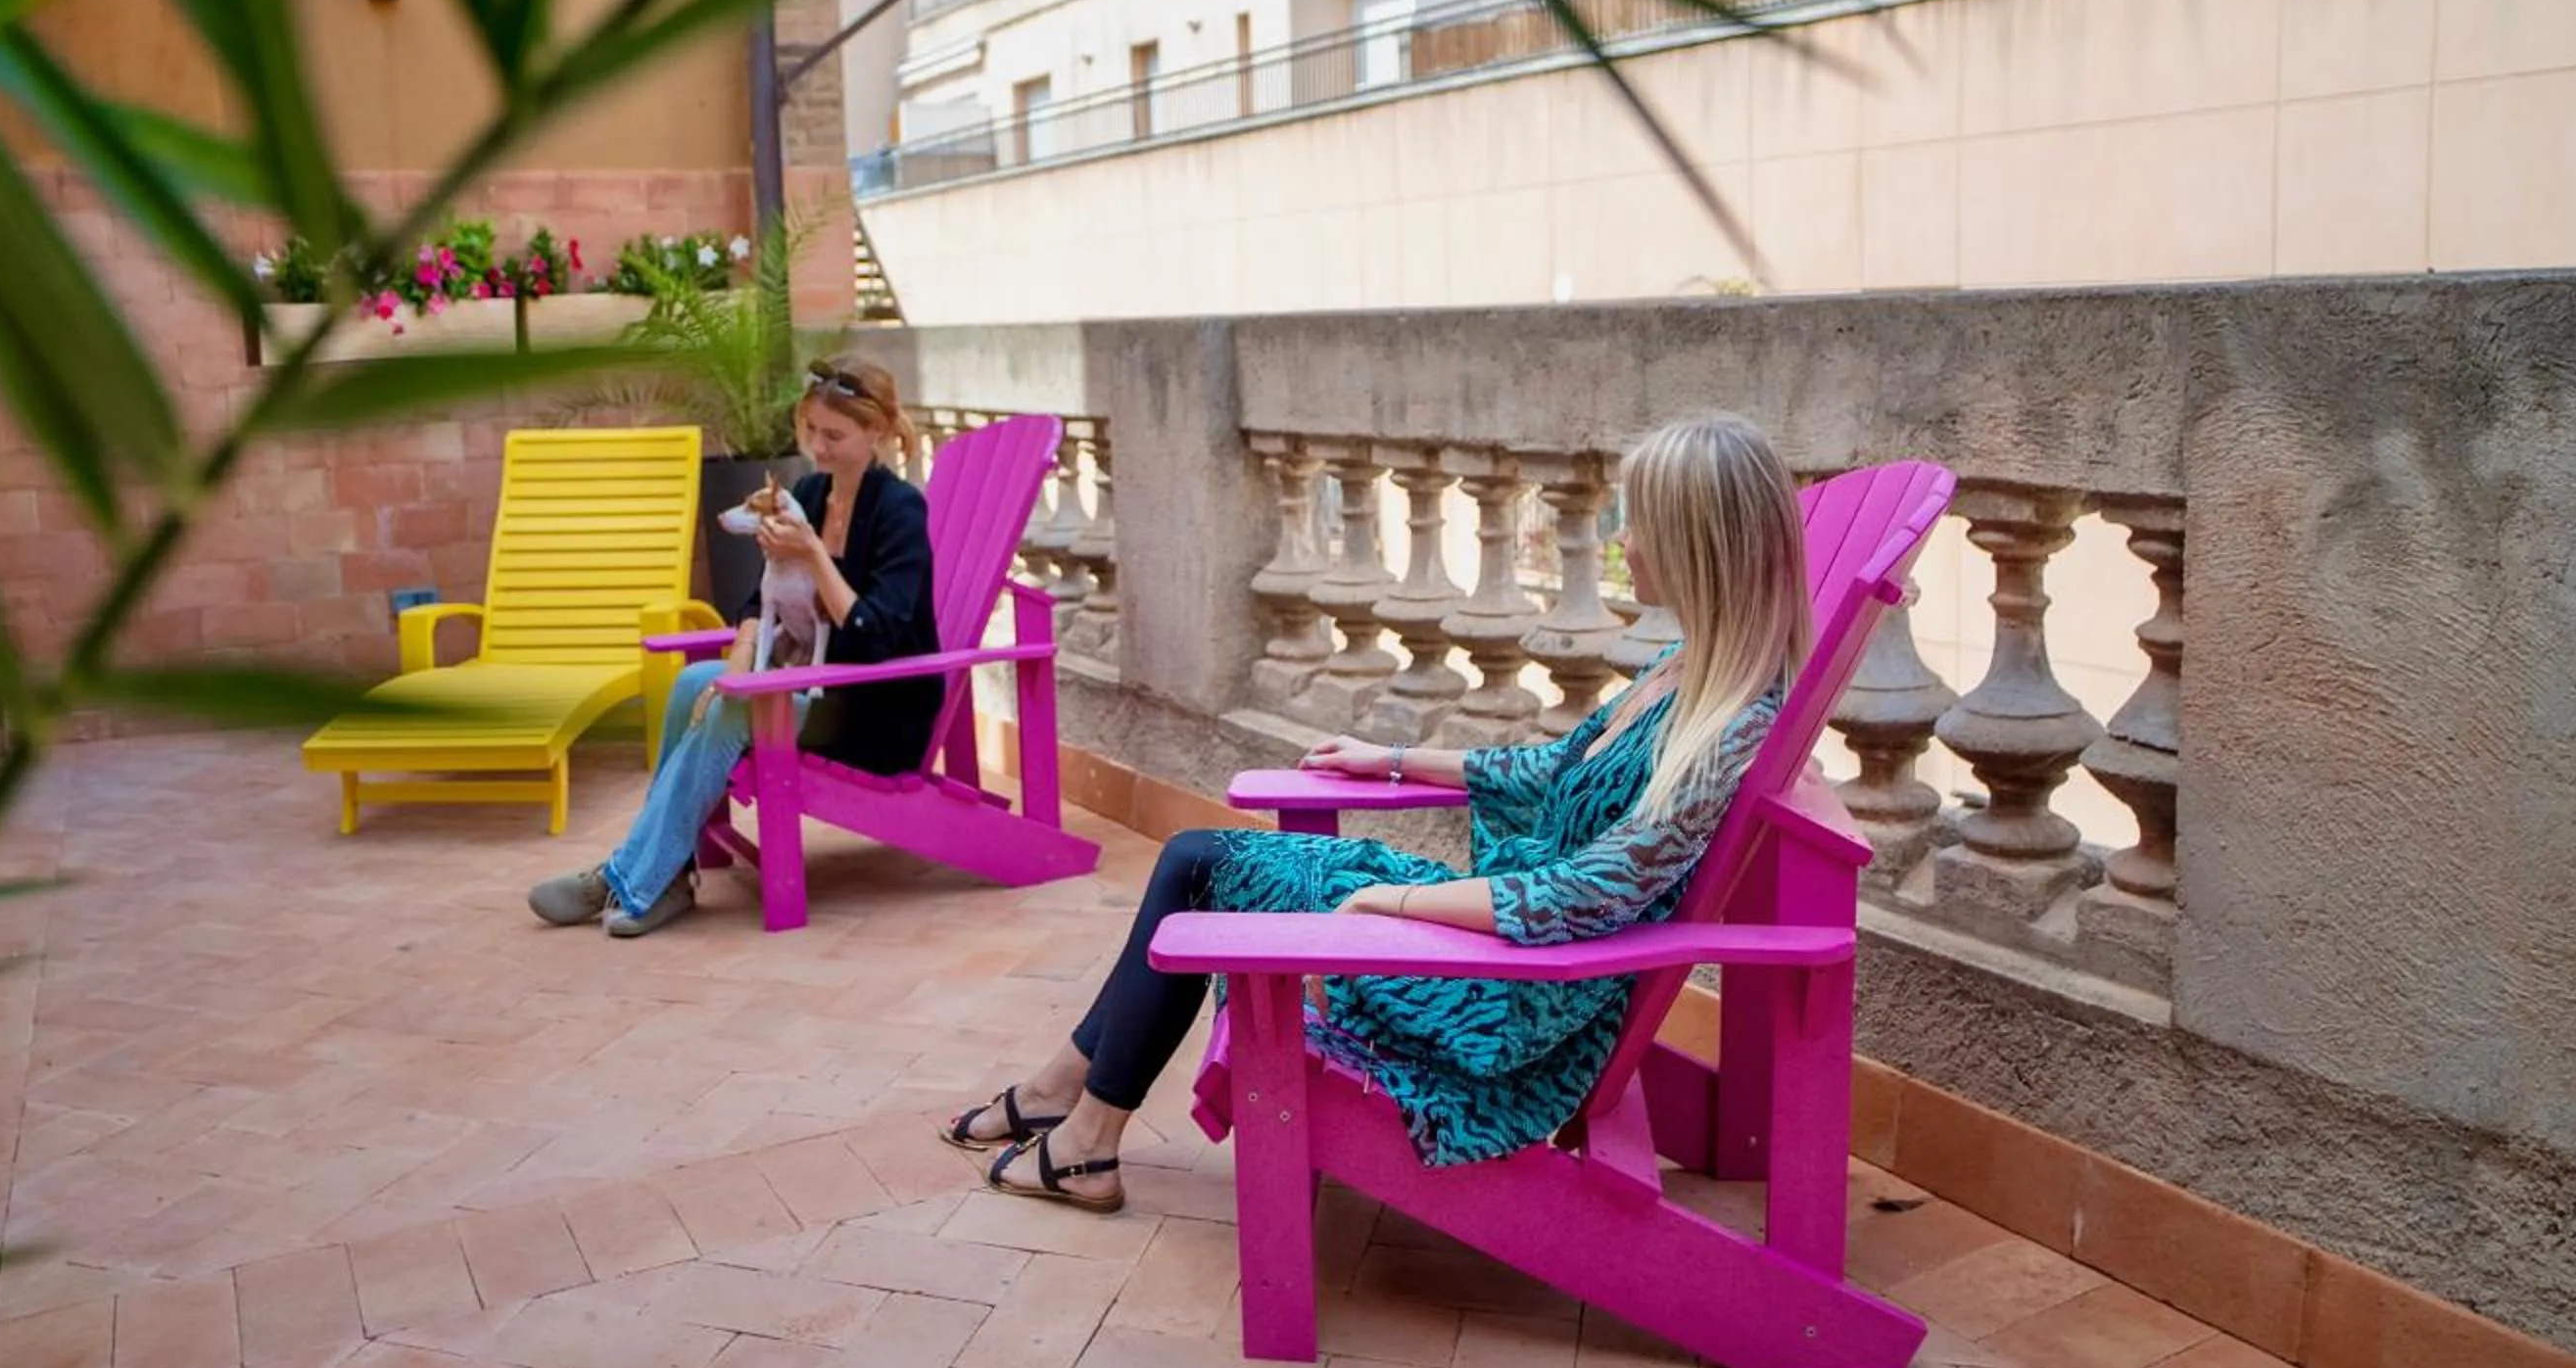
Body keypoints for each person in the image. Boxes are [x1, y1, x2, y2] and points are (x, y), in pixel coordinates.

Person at [943, 412, 1809, 1211]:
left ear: (1698, 543)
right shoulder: (1680, 670)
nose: (1623, 538)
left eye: (1641, 520)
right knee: (1199, 860)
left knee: (1203, 870)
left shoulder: (1730, 727)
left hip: (1514, 1003)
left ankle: (1085, 1129)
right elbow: (1555, 768)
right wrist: (1390, 761)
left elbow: (1583, 896)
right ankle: (1072, 1100)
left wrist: (1388, 903)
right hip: (1498, 942)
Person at [528, 356, 941, 935]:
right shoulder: (810, 492)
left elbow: (876, 636)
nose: (817, 448)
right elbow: (757, 602)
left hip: (873, 709)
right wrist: (738, 665)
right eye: (810, 431)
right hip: (811, 688)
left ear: (876, 431)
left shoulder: (899, 509)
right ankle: (666, 875)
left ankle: (633, 879)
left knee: (734, 710)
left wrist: (814, 556)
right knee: (693, 683)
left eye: (834, 435)